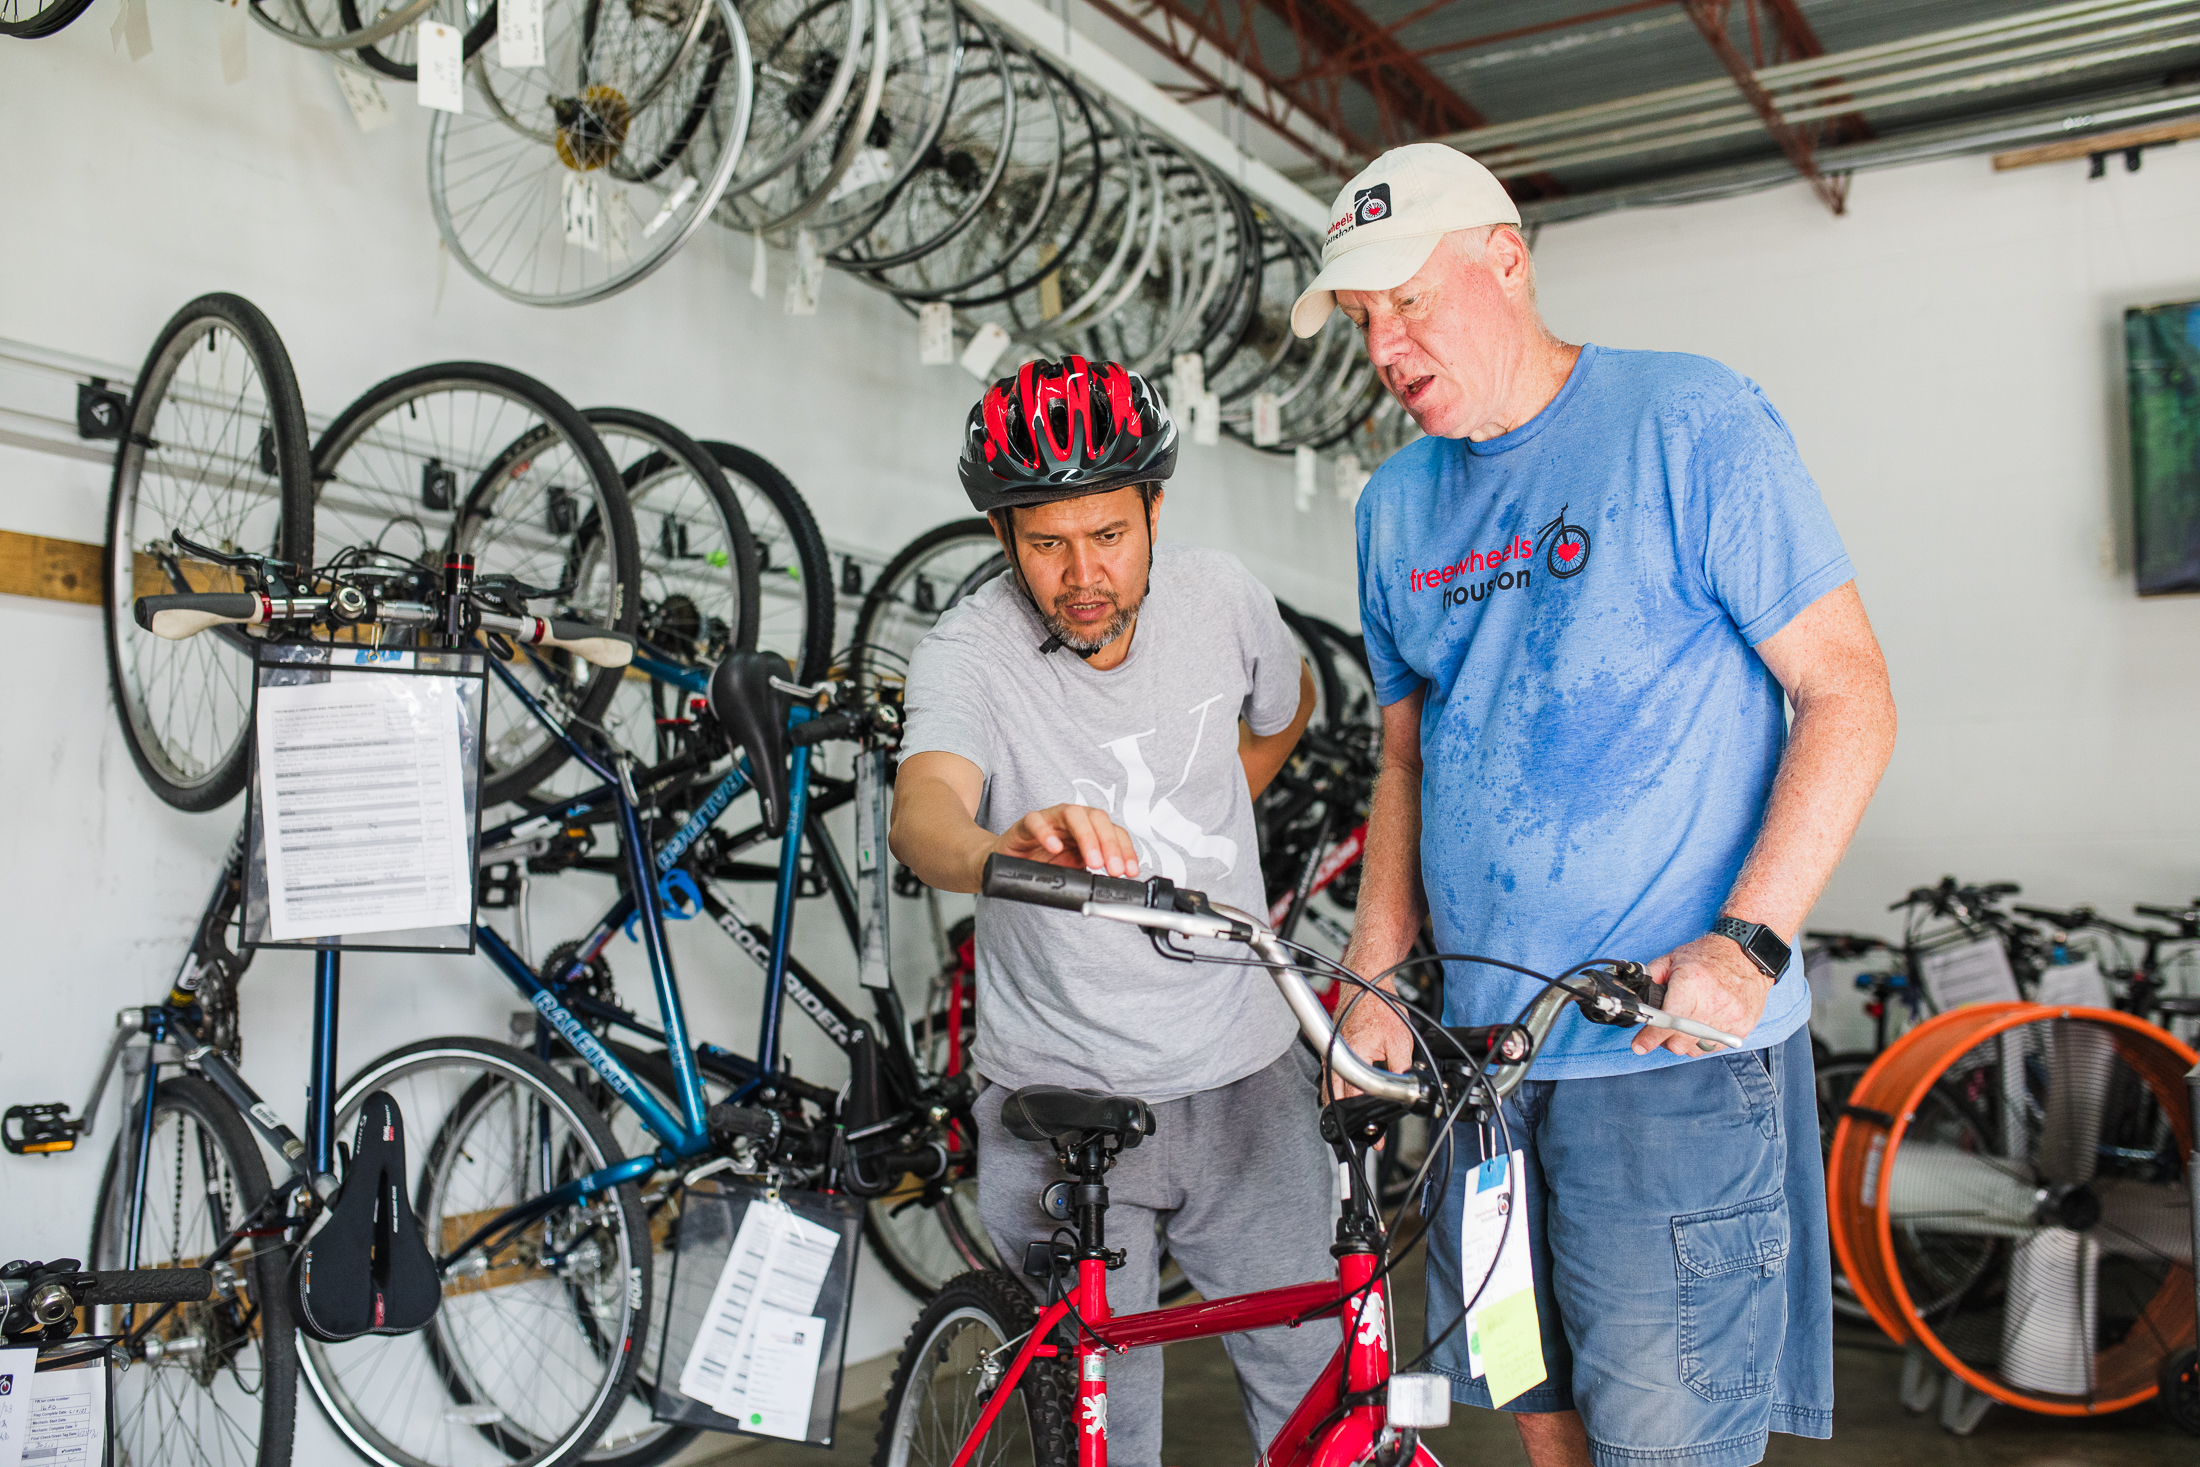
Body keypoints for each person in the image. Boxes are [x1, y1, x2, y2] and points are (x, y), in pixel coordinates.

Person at [1290, 144, 1898, 1467]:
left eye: (1407, 300)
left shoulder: (1688, 420)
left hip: (1660, 1066)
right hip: (1483, 1072)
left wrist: (1749, 943)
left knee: (1665, 1446)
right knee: (1535, 1408)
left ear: (1505, 259)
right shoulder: (1395, 507)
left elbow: (1848, 693)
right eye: (1360, 319)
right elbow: (1405, 762)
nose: (1383, 347)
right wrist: (1375, 970)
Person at [888, 355, 1327, 1465]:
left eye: (1110, 535)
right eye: (1046, 543)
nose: (1083, 574)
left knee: (1316, 1394)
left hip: (1246, 1074)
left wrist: (1212, 815)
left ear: (1155, 511)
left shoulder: (1221, 597)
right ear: (1001, 535)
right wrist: (997, 849)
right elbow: (922, 814)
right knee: (1102, 1431)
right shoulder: (968, 653)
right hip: (1063, 1099)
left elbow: (1287, 704)